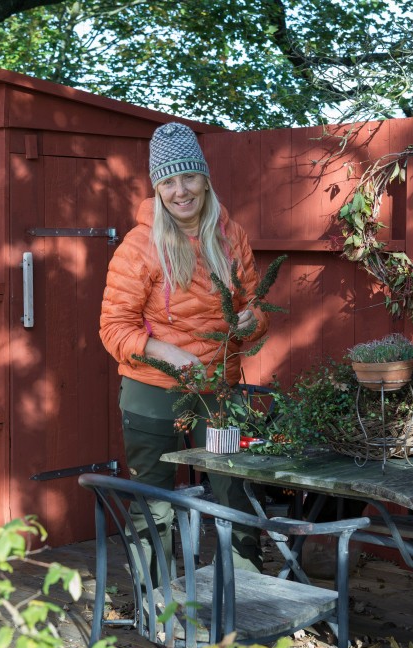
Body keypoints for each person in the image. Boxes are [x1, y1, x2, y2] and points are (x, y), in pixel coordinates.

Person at [99, 122, 269, 580]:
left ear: (205, 180)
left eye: (188, 177)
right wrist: (168, 353)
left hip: (218, 392)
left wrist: (254, 321)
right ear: (157, 187)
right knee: (154, 504)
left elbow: (252, 305)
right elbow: (114, 328)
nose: (180, 191)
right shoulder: (140, 246)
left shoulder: (231, 237)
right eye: (168, 181)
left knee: (235, 488)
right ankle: (155, 602)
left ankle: (243, 593)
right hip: (153, 392)